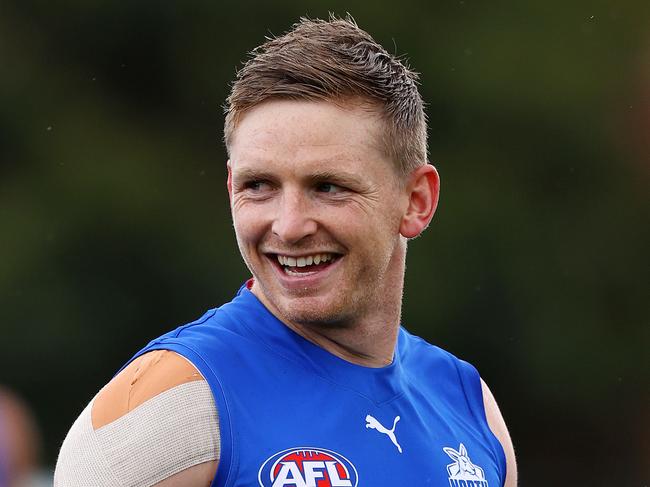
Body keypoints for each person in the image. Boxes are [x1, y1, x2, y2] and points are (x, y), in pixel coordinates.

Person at [54, 15, 517, 487]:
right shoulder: (170, 406)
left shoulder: (466, 404)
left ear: (416, 201)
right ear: (231, 186)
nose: (289, 225)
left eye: (328, 186)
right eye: (259, 186)